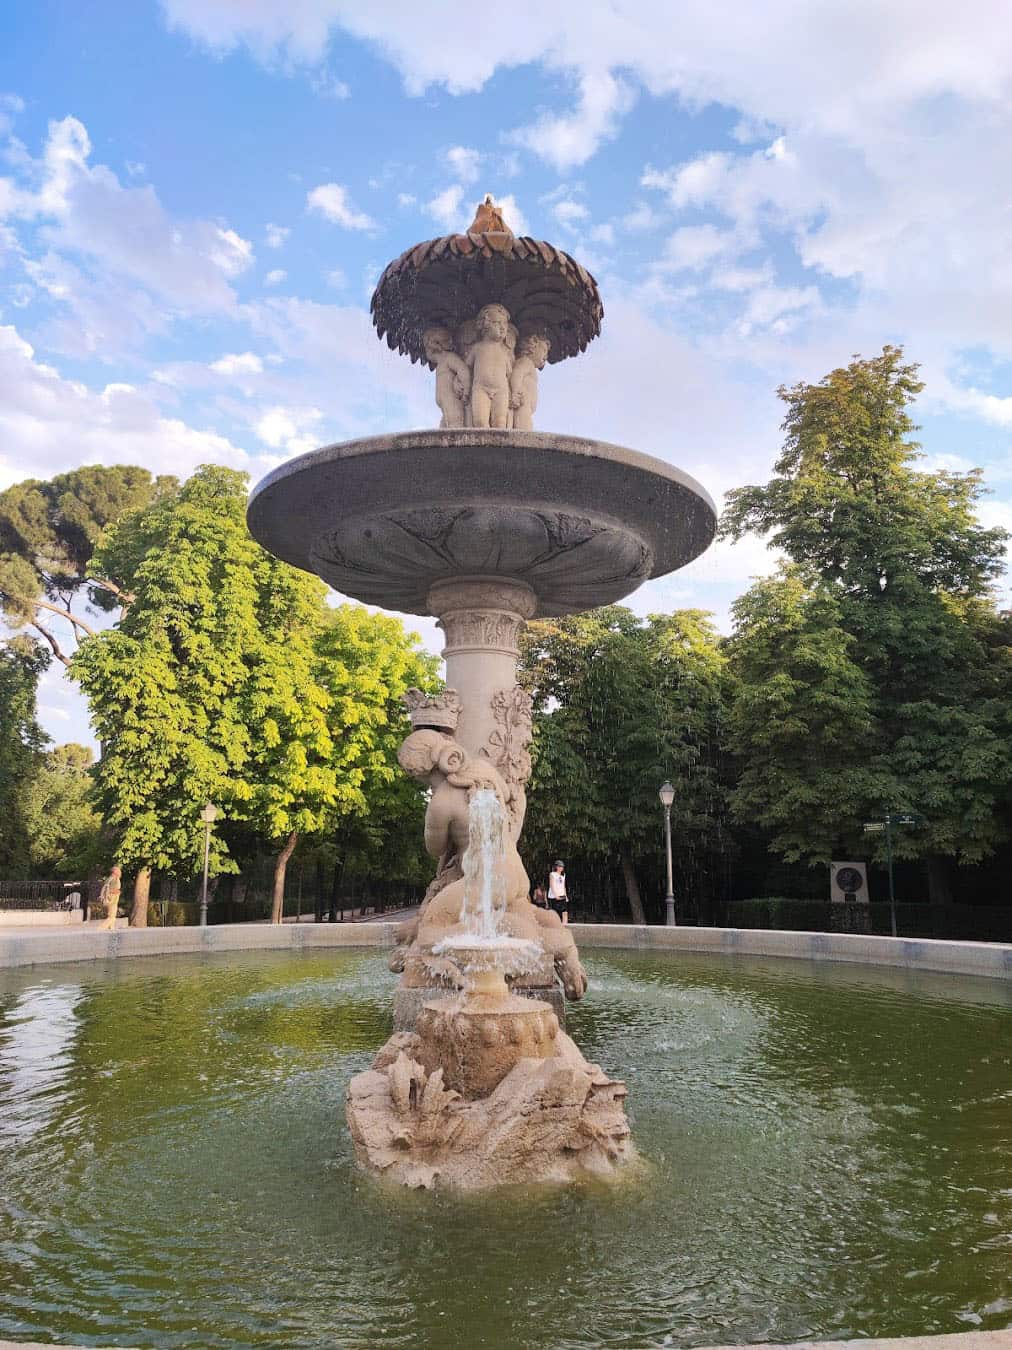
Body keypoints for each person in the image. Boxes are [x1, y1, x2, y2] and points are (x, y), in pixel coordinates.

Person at [98, 865, 122, 930]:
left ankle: (111, 927)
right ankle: (101, 927)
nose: (120, 872)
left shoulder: (109, 878)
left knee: (111, 914)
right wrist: (118, 891)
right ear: (115, 872)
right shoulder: (115, 879)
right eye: (118, 871)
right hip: (112, 898)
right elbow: (112, 890)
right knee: (112, 916)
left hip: (109, 898)